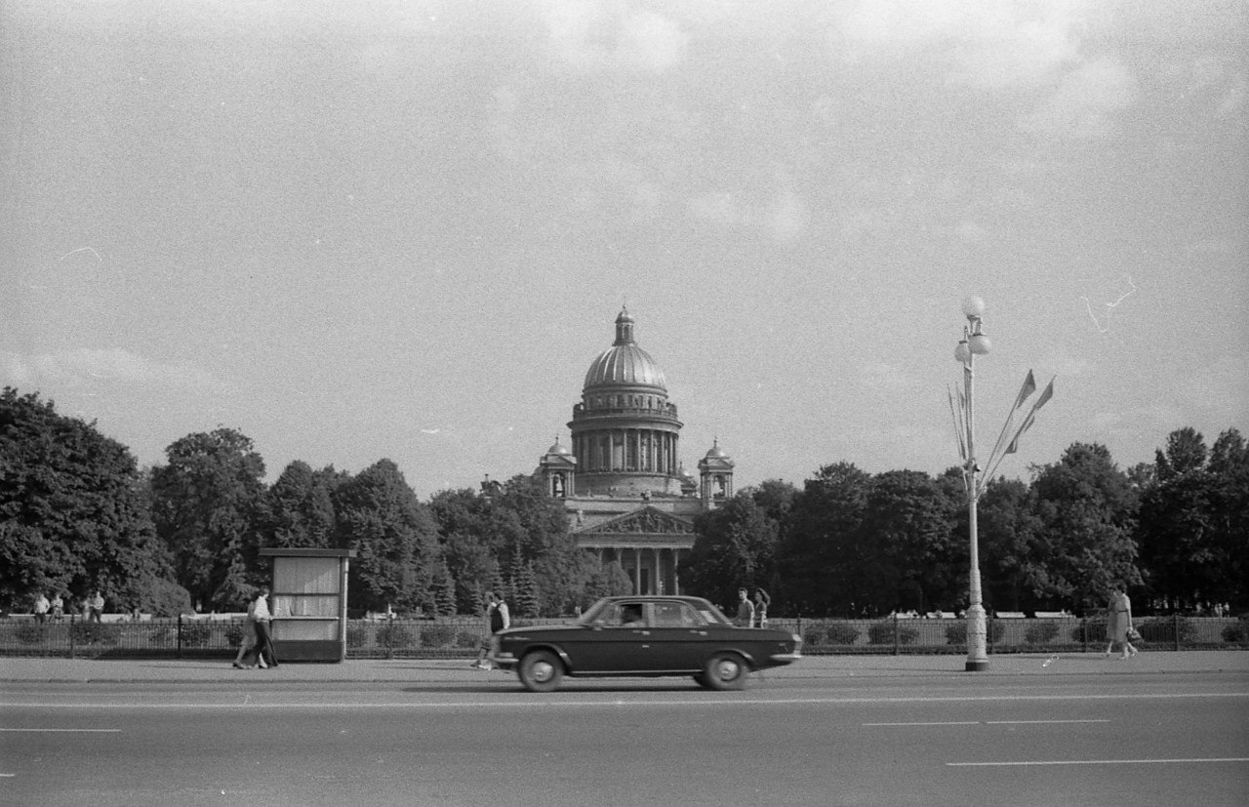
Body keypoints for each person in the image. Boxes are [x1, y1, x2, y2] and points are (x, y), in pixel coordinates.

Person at [472, 591, 509, 671]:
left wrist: (505, 629)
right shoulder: (495, 606)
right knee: (492, 648)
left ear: (494, 598)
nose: (484, 599)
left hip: (497, 630)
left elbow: (505, 618)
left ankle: (487, 664)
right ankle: (489, 663)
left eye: (486, 598)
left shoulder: (498, 606)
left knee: (492, 648)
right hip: (494, 630)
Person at [233, 596, 267, 670]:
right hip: (252, 626)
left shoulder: (252, 604)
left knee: (245, 644)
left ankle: (238, 660)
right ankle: (261, 663)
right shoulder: (253, 604)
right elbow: (252, 616)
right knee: (256, 645)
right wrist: (262, 617)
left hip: (249, 626)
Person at [1105, 585, 1139, 660]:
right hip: (1119, 616)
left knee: (1123, 636)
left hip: (1124, 616)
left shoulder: (1125, 598)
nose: (1116, 591)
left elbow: (1128, 611)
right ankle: (1127, 652)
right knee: (1120, 636)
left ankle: (1125, 653)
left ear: (1120, 590)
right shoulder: (1119, 598)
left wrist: (1130, 624)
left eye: (1117, 590)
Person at [249, 587, 279, 668]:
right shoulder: (261, 601)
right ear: (266, 594)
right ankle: (270, 662)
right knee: (268, 642)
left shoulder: (257, 600)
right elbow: (257, 613)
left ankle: (250, 662)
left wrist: (267, 616)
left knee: (259, 644)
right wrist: (266, 617)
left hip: (258, 623)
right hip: (263, 623)